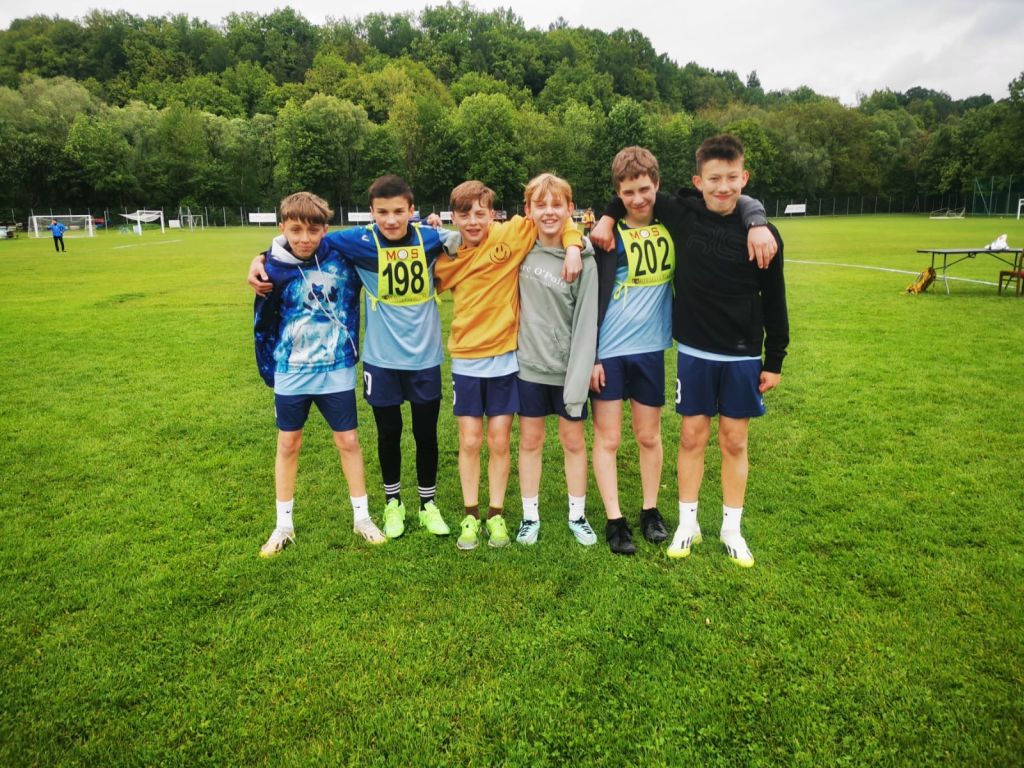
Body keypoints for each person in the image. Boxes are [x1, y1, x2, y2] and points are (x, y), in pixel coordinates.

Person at [588, 146, 776, 555]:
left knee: (649, 436)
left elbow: (732, 199)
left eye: (645, 189)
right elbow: (587, 300)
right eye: (627, 193)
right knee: (609, 437)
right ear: (617, 194)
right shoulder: (606, 236)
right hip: (608, 351)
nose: (638, 198)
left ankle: (650, 511)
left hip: (652, 349)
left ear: (657, 186)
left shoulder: (674, 221)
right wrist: (606, 215)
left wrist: (757, 219)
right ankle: (615, 520)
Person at [251, 176, 450, 541]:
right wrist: (261, 257)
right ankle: (390, 504)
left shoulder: (428, 238)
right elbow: (296, 245)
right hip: (370, 361)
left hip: (408, 360)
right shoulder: (351, 243)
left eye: (399, 211)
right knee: (385, 433)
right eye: (382, 212)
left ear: (411, 210)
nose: (391, 219)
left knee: (419, 434)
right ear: (371, 212)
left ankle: (424, 505)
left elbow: (466, 239)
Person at [433, 181, 584, 551]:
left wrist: (573, 246)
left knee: (499, 440)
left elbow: (556, 217)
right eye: (465, 215)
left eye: (480, 213)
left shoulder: (511, 235)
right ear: (454, 217)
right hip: (466, 360)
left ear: (492, 214)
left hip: (504, 359)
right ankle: (471, 514)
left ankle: (496, 514)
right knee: (470, 440)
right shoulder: (447, 259)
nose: (473, 221)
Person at [252, 192, 383, 557]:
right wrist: (271, 372)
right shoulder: (271, 268)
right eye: (295, 230)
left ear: (325, 229)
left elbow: (387, 238)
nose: (304, 238)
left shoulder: (343, 257)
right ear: (282, 228)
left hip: (336, 368)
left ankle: (362, 518)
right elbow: (263, 324)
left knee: (349, 441)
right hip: (291, 371)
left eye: (313, 230)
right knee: (288, 444)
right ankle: (283, 525)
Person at [514, 173, 599, 546]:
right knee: (530, 441)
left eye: (556, 204)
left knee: (573, 441)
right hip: (529, 367)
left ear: (570, 208)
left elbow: (586, 323)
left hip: (568, 371)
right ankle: (529, 516)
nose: (548, 211)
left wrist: (578, 379)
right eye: (540, 205)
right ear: (528, 210)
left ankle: (577, 515)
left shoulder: (584, 260)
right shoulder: (519, 249)